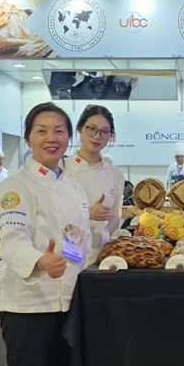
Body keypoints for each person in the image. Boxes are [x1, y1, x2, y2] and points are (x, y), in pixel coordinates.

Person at [0, 102, 91, 366]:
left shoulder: (73, 187)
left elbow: (78, 240)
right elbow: (12, 241)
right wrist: (41, 260)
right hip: (29, 307)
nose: (51, 138)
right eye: (41, 131)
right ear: (28, 138)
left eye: (59, 131)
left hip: (68, 304)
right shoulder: (15, 186)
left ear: (69, 138)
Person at [65, 105, 125, 264]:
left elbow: (114, 221)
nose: (97, 136)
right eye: (92, 129)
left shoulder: (115, 175)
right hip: (66, 254)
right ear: (80, 129)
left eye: (105, 132)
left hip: (100, 256)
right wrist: (87, 214)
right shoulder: (62, 169)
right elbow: (52, 217)